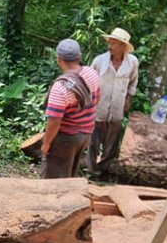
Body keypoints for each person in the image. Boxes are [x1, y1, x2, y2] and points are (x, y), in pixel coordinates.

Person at [41, 38, 100, 179]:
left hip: (66, 139)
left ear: (58, 59)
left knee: (54, 181)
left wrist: (46, 144)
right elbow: (97, 99)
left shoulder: (60, 87)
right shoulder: (91, 73)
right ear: (79, 56)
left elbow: (54, 120)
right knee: (69, 176)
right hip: (85, 135)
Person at [87, 28, 139, 178]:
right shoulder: (99, 61)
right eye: (109, 42)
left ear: (123, 45)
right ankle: (92, 170)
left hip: (117, 107)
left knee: (112, 142)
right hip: (99, 107)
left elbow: (133, 82)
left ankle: (104, 170)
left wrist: (128, 99)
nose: (110, 46)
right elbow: (89, 81)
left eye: (114, 43)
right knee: (94, 141)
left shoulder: (132, 62)